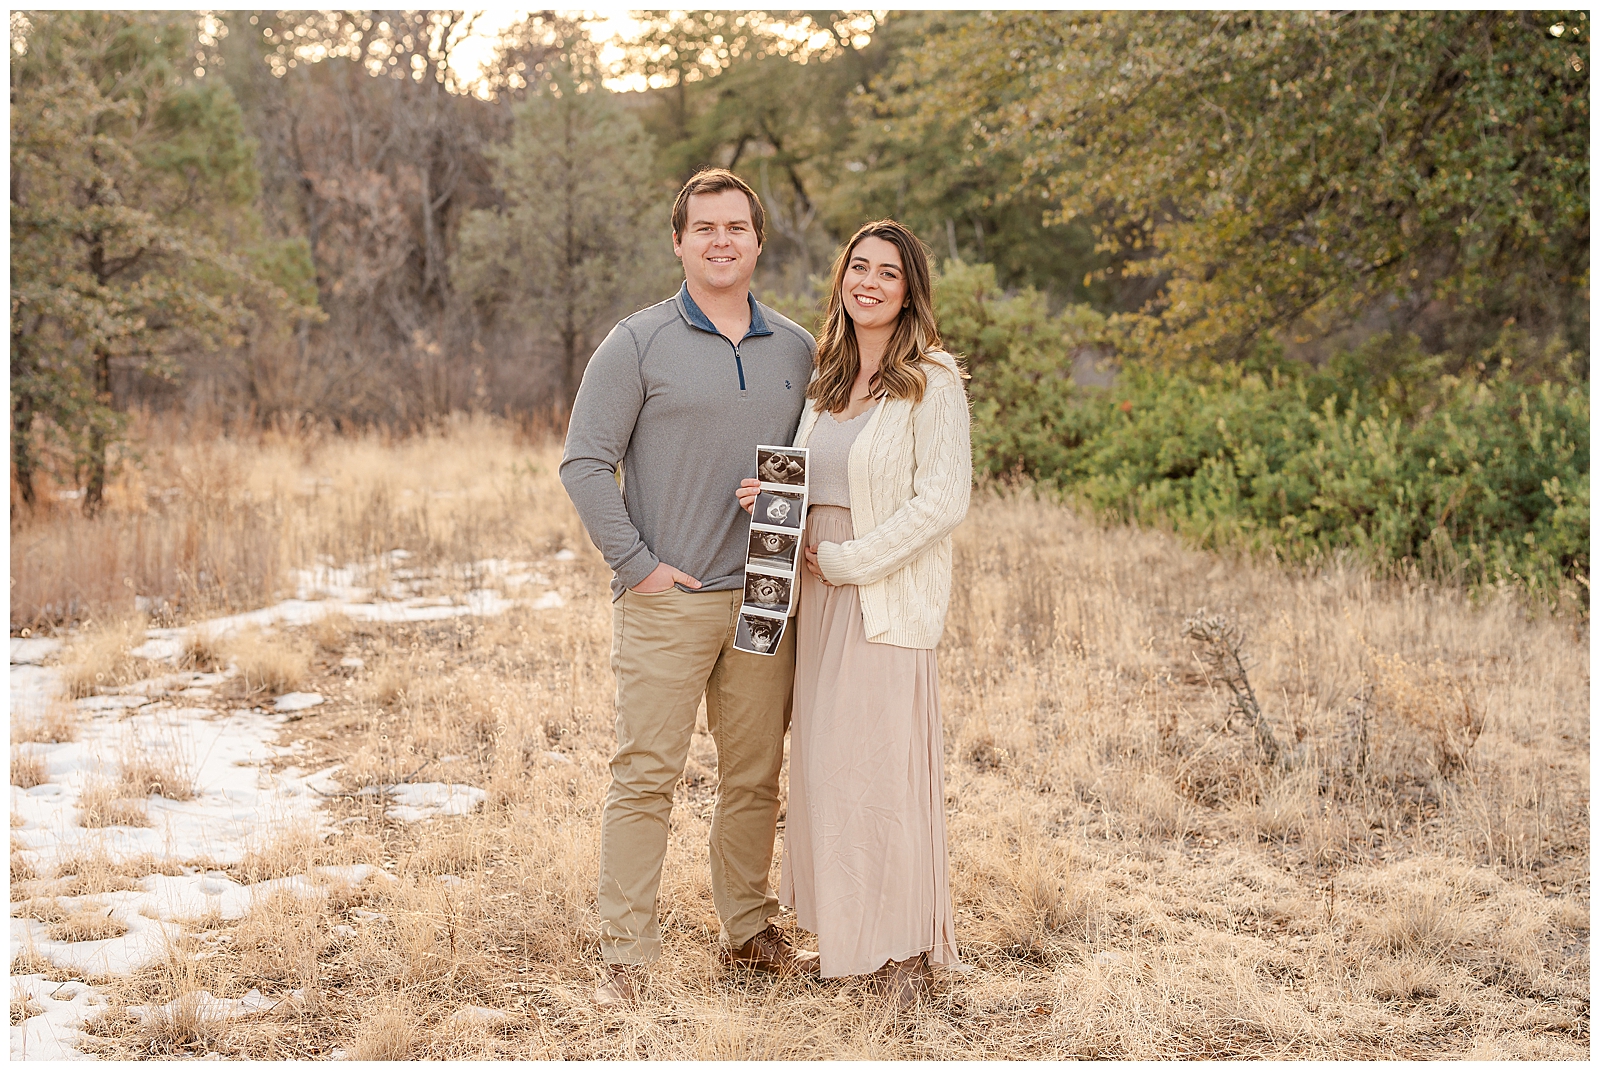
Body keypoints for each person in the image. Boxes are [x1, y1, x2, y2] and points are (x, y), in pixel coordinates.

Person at [561, 169, 818, 1010]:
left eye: (736, 226)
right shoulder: (635, 343)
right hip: (669, 597)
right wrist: (637, 565)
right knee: (645, 774)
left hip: (762, 603)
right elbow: (585, 461)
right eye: (702, 227)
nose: (720, 240)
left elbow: (816, 467)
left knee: (755, 777)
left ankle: (748, 929)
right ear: (678, 242)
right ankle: (625, 956)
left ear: (756, 240)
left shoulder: (798, 347)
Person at [737, 219, 972, 1009]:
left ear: (910, 292)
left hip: (879, 597)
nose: (869, 282)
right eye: (859, 267)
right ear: (842, 277)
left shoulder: (931, 379)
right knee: (832, 773)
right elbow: (812, 482)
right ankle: (852, 941)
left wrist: (844, 559)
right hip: (819, 603)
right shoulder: (827, 382)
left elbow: (941, 502)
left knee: (880, 773)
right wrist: (771, 502)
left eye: (889, 273)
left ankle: (902, 958)